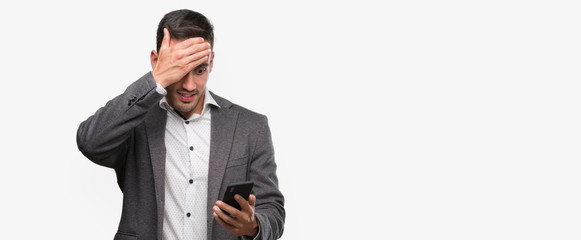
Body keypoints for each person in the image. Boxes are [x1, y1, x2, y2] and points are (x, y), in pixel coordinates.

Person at [76, 9, 285, 240]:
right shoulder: (135, 121)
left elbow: (273, 210)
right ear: (157, 62)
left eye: (200, 70)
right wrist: (156, 80)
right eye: (179, 70)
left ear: (211, 62)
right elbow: (90, 142)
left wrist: (253, 226)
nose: (189, 85)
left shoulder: (250, 127)